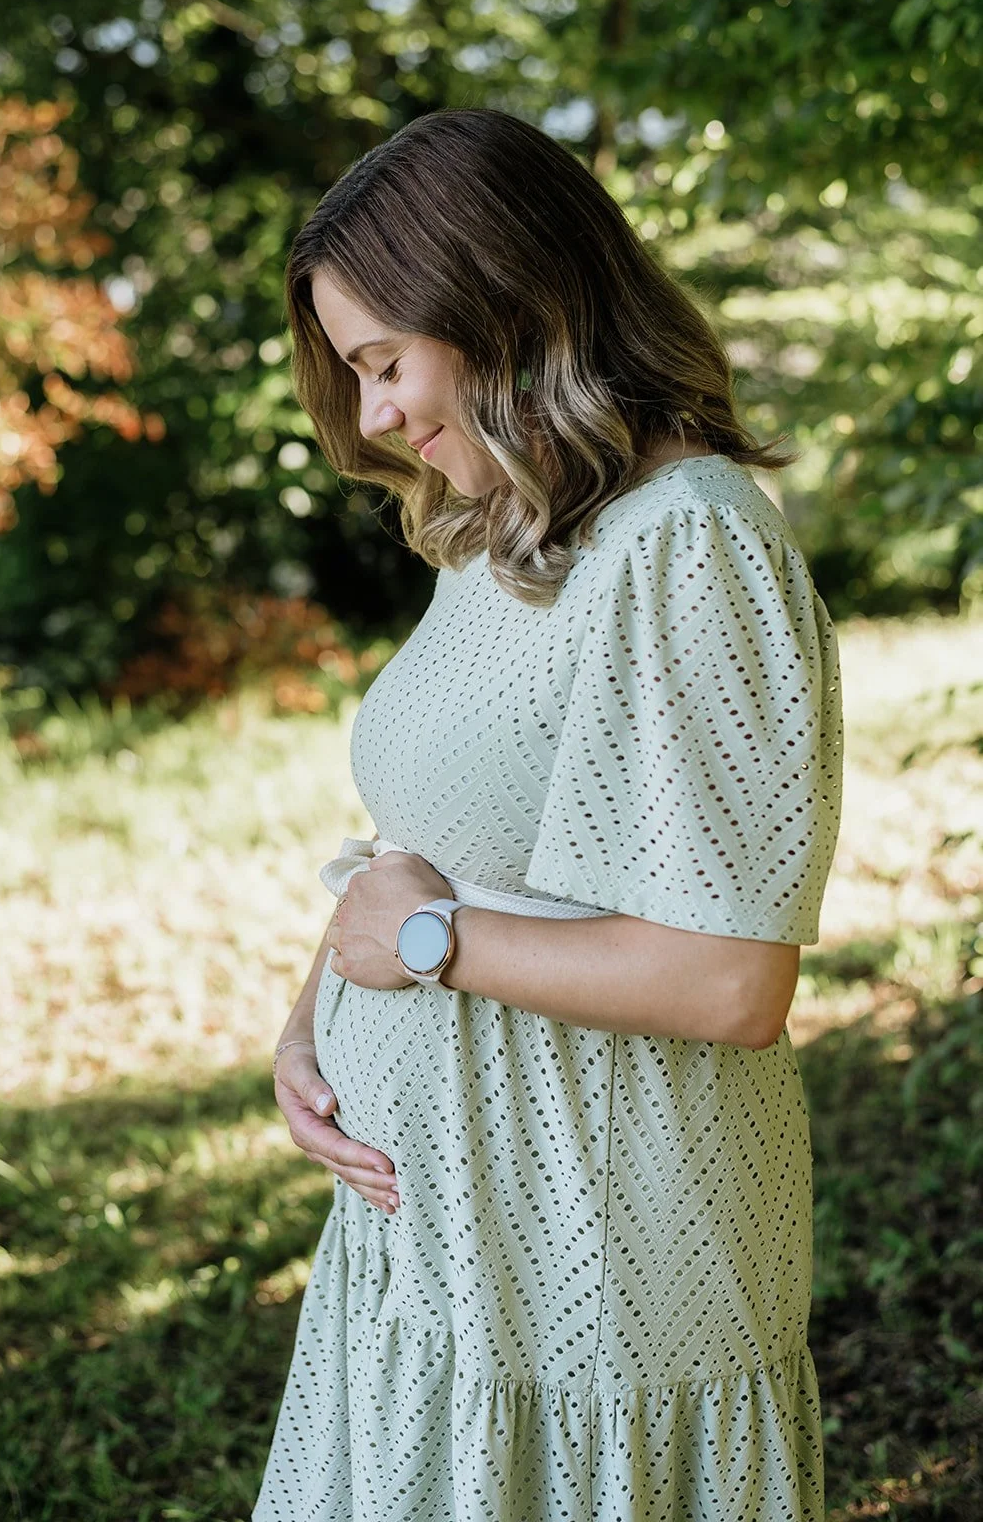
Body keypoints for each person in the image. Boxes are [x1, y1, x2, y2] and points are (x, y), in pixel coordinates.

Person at [253, 107, 843, 1522]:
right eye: (357, 373)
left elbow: (727, 976)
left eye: (387, 362)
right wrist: (316, 1010)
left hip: (598, 1250)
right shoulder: (501, 537)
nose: (377, 412)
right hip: (435, 1241)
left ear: (501, 300)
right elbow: (431, 848)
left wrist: (430, 947)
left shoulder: (691, 540)